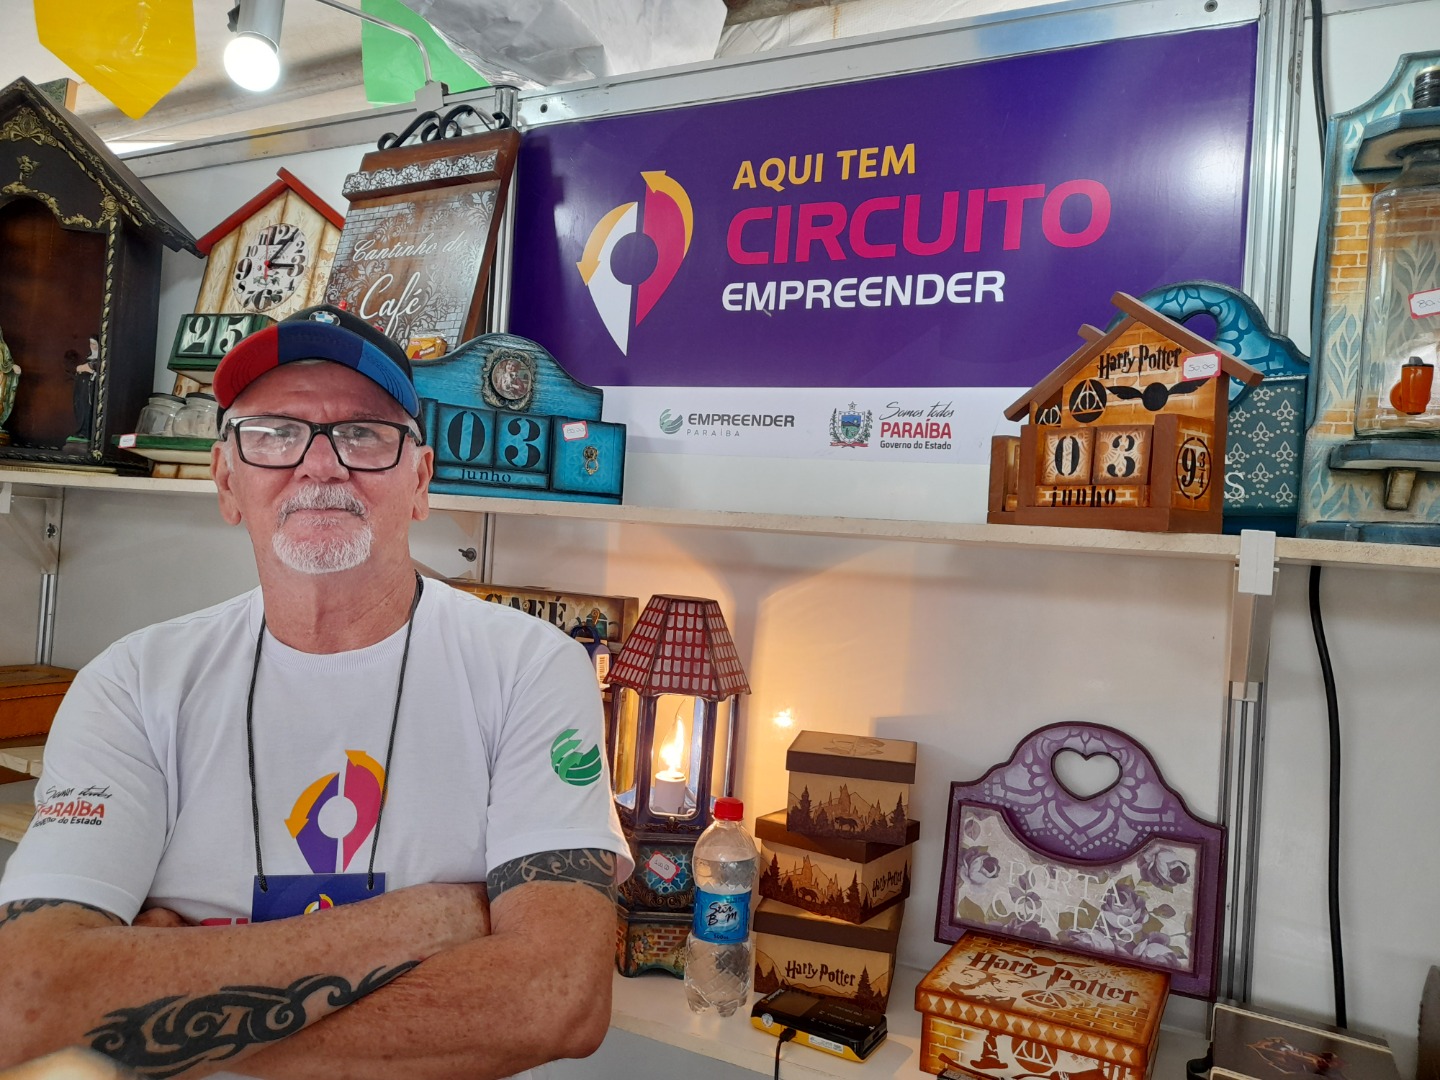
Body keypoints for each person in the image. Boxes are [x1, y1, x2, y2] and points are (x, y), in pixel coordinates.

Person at [0, 305, 632, 1080]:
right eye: (274, 433)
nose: (322, 464)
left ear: (420, 481)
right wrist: (424, 919)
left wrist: (164, 998)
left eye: (364, 433)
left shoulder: (530, 669)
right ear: (227, 481)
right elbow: (25, 1007)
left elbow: (557, 1000)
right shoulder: (131, 685)